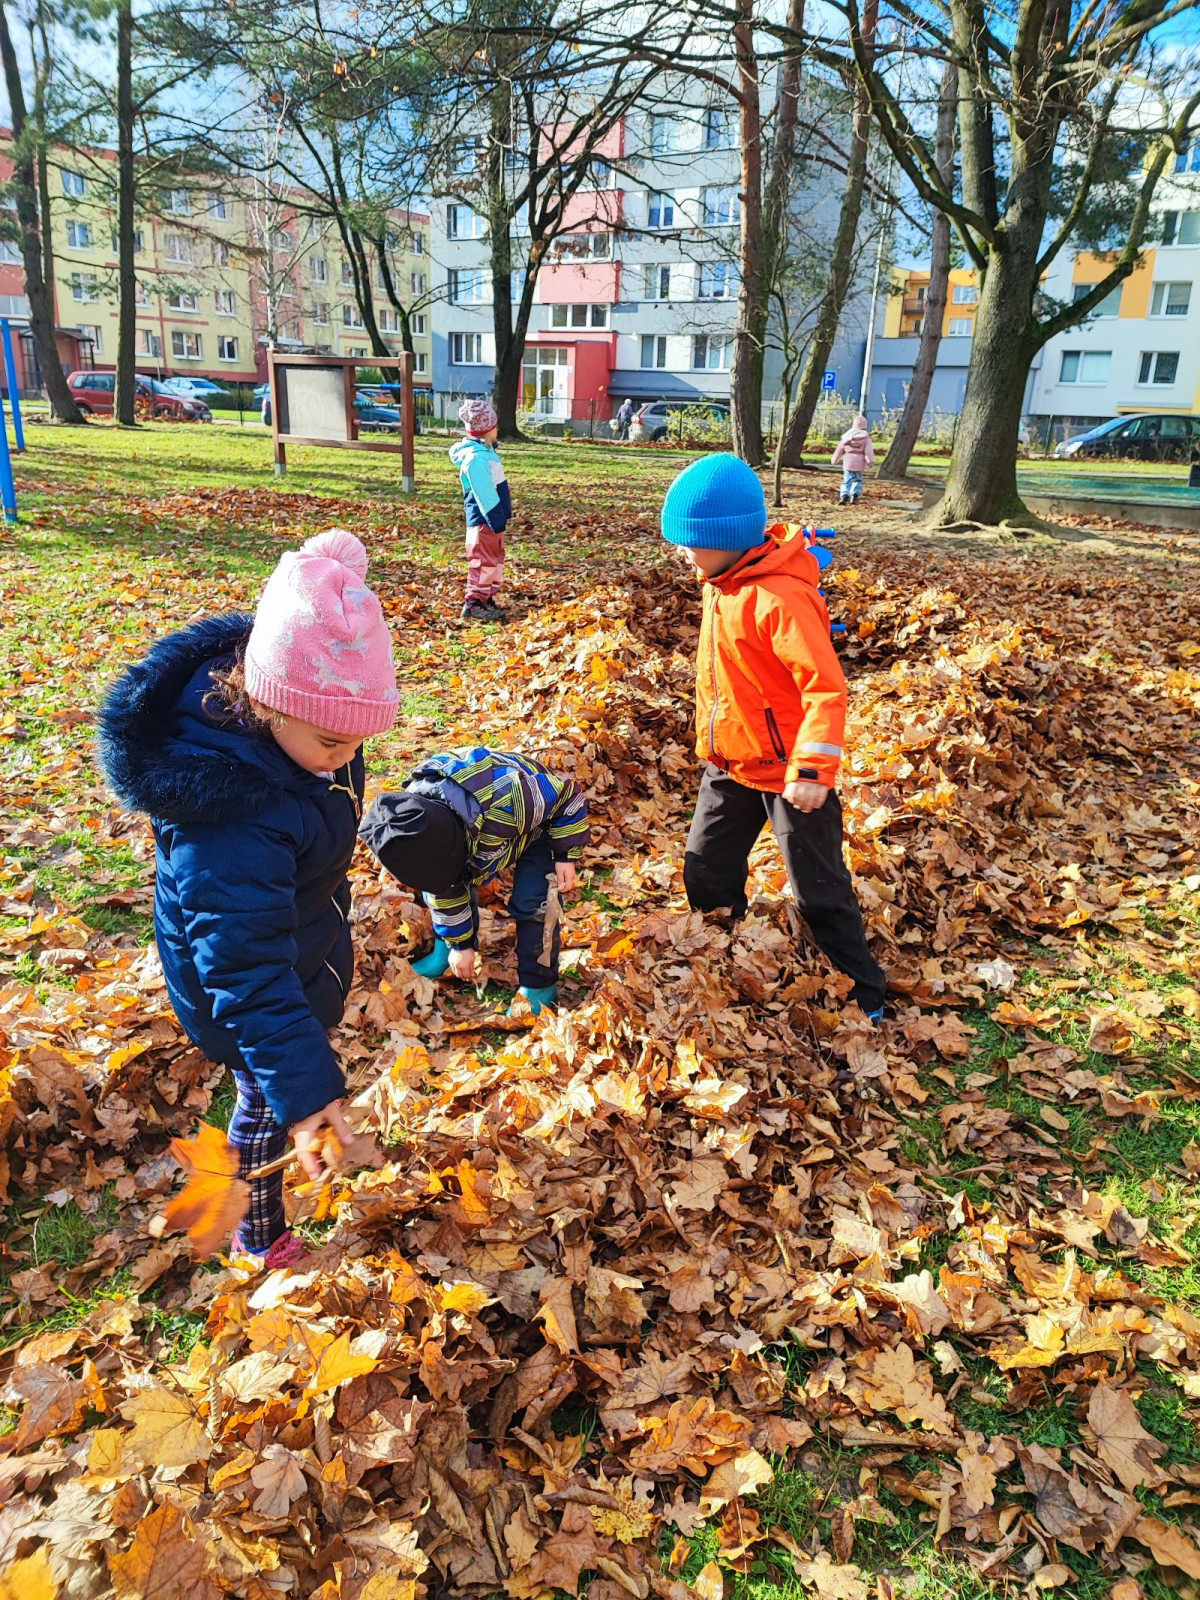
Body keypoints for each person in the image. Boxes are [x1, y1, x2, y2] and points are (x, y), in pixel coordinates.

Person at [97, 530, 399, 1265]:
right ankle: (255, 1234)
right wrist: (305, 1088)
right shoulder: (231, 818)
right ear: (268, 702)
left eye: (359, 742)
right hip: (248, 988)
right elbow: (244, 964)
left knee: (273, 1092)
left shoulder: (305, 747)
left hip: (292, 950)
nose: (346, 759)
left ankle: (257, 1188)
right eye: (332, 743)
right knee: (269, 1107)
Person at [660, 453, 886, 1021]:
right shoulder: (721, 581)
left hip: (790, 775)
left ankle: (865, 995)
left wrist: (811, 770)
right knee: (705, 868)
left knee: (819, 890)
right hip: (731, 763)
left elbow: (825, 689)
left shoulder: (780, 598)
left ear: (728, 539)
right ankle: (725, 950)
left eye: (690, 542)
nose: (682, 553)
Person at [359, 747, 589, 1015]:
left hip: (544, 825)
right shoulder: (411, 832)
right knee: (446, 889)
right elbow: (446, 889)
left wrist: (565, 853)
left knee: (534, 902)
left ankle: (540, 982)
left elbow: (568, 796)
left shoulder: (509, 801)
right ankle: (447, 951)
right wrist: (460, 945)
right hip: (477, 833)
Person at [449, 398, 511, 624]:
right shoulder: (476, 458)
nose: (497, 430)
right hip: (484, 520)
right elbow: (484, 492)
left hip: (493, 520)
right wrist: (496, 517)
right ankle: (474, 603)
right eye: (495, 426)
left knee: (494, 561)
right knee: (483, 562)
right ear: (486, 430)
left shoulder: (485, 452)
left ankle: (486, 598)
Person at [831, 413, 875, 504]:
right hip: (860, 461)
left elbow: (840, 449)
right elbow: (868, 451)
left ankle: (844, 495)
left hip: (848, 460)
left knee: (847, 479)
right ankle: (854, 494)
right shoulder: (866, 438)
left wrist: (835, 459)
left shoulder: (847, 437)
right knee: (857, 479)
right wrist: (870, 461)